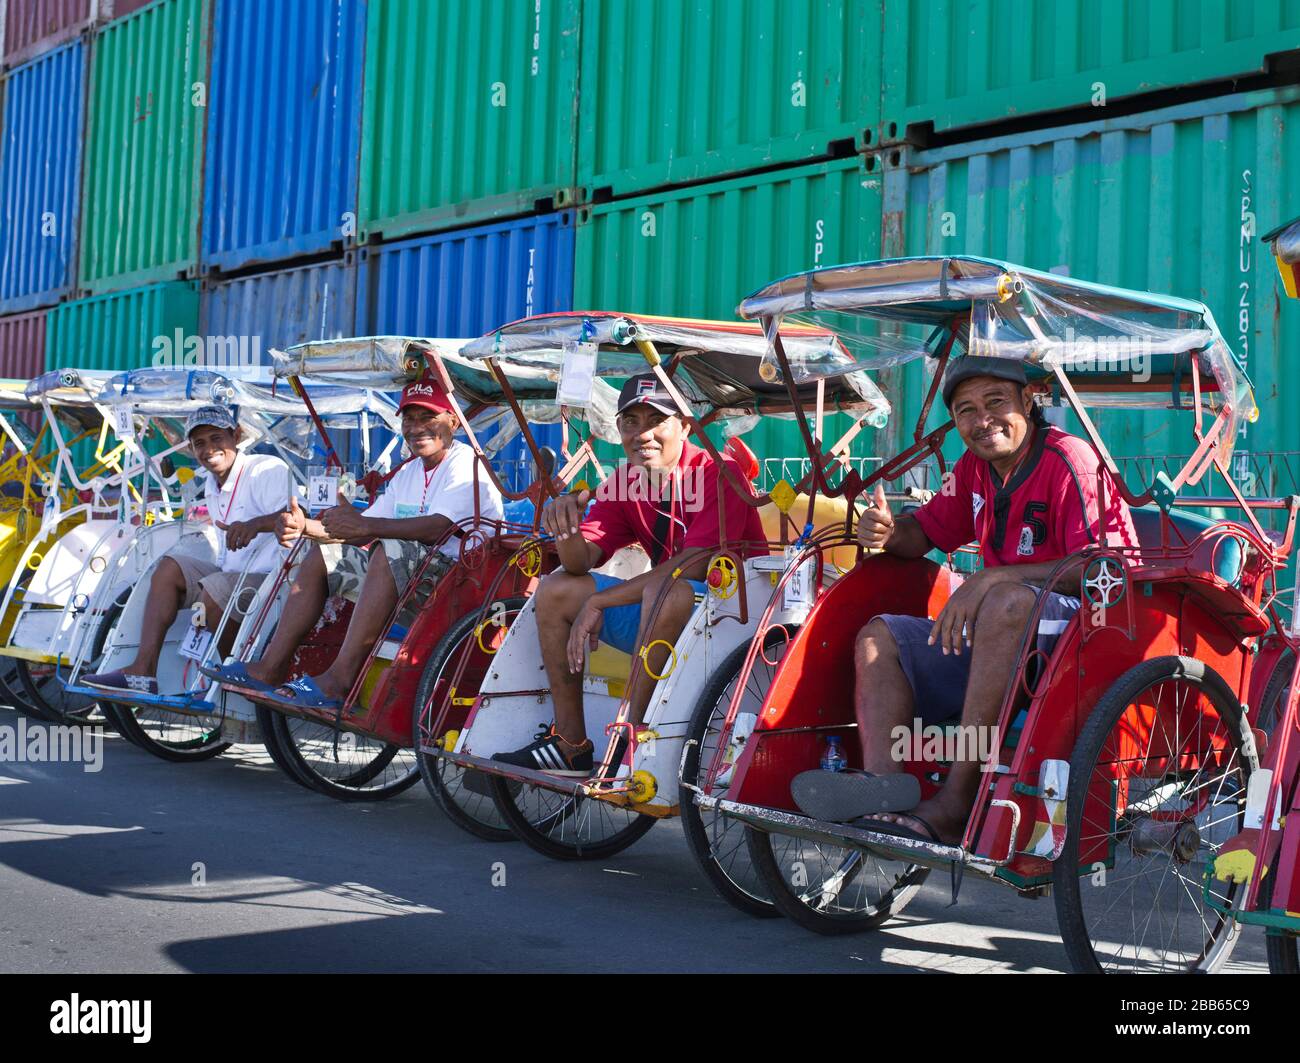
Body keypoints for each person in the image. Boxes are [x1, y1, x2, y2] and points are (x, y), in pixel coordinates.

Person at [790, 355, 1138, 844]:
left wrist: (990, 581)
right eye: (966, 411)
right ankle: (884, 788)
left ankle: (955, 800)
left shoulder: (1070, 460)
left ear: (1027, 400)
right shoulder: (973, 468)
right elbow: (924, 534)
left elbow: (1102, 567)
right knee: (880, 636)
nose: (982, 420)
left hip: (1078, 638)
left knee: (1005, 600)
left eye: (995, 401)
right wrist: (888, 532)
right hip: (1002, 631)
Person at [493, 373, 768, 776]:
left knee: (666, 589)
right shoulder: (623, 482)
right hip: (666, 612)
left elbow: (693, 563)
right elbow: (579, 561)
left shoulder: (718, 472)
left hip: (732, 616)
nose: (642, 434)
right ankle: (571, 744)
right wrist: (566, 525)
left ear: (684, 426)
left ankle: (631, 737)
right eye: (630, 422)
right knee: (555, 589)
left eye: (656, 420)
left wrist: (602, 600)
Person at [202, 372, 503, 710]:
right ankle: (270, 668)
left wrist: (365, 525)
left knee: (389, 547)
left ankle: (339, 678)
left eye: (428, 417)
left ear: (453, 421)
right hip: (407, 579)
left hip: (457, 586)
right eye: (410, 418)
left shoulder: (467, 466)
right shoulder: (408, 472)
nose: (416, 427)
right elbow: (357, 528)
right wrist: (305, 526)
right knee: (323, 555)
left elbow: (437, 528)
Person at [84, 405, 291, 696]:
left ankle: (236, 674)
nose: (209, 449)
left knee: (215, 588)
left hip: (271, 578)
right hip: (232, 576)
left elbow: (296, 515)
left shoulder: (264, 469)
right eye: (199, 444)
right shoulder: (211, 483)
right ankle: (143, 670)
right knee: (168, 567)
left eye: (216, 438)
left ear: (236, 436)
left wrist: (256, 524)